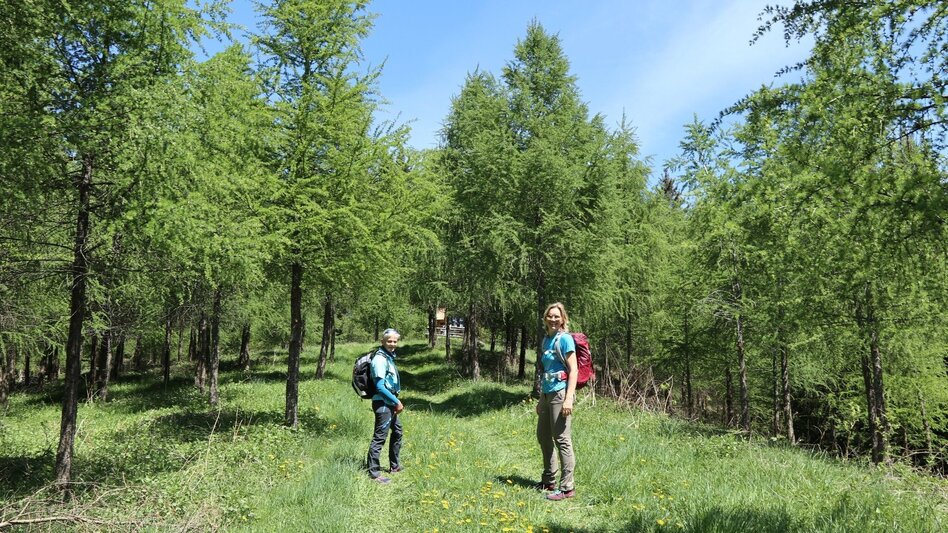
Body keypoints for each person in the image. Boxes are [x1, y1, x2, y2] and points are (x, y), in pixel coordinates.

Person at [535, 302, 578, 500]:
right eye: (550, 316)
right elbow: (546, 370)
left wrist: (569, 398)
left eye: (557, 316)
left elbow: (574, 370)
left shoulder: (565, 339)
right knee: (543, 436)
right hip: (546, 394)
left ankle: (567, 487)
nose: (553, 319)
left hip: (561, 394)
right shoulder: (546, 340)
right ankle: (548, 480)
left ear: (563, 319)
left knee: (562, 439)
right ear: (545, 319)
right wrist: (540, 399)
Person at [366, 328, 404, 484]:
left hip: (389, 402)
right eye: (389, 341)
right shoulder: (380, 360)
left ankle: (394, 466)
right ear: (382, 341)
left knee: (397, 431)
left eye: (395, 341)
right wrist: (397, 402)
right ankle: (374, 473)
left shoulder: (388, 357)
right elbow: (380, 387)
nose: (392, 344)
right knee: (379, 437)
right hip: (383, 403)